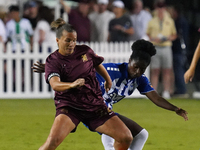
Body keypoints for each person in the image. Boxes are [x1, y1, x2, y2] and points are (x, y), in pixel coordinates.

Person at [33, 39, 188, 150]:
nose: (138, 71)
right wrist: (53, 67)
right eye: (135, 67)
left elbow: (156, 97)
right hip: (90, 109)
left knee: (141, 135)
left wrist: (175, 108)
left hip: (104, 111)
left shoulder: (140, 80)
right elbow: (81, 67)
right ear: (129, 61)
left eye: (142, 68)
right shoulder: (111, 71)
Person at [37, 18, 133, 150]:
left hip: (94, 105)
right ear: (58, 40)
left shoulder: (85, 51)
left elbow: (97, 64)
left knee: (126, 137)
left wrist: (108, 79)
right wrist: (72, 85)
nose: (72, 44)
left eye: (74, 40)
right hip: (70, 107)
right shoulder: (53, 61)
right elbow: (55, 84)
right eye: (68, 40)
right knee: (51, 144)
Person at [146, 1, 177, 99]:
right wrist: (153, 39)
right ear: (156, 8)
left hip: (166, 46)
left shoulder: (169, 20)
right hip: (155, 47)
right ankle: (153, 91)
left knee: (167, 70)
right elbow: (147, 34)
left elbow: (174, 35)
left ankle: (166, 91)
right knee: (155, 70)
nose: (160, 9)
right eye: (159, 7)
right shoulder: (152, 21)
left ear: (165, 8)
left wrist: (168, 38)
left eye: (162, 7)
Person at [169, 5, 189, 97]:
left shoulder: (180, 22)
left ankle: (181, 90)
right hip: (179, 50)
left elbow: (179, 37)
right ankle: (180, 89)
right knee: (178, 70)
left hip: (179, 51)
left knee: (179, 70)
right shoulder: (181, 21)